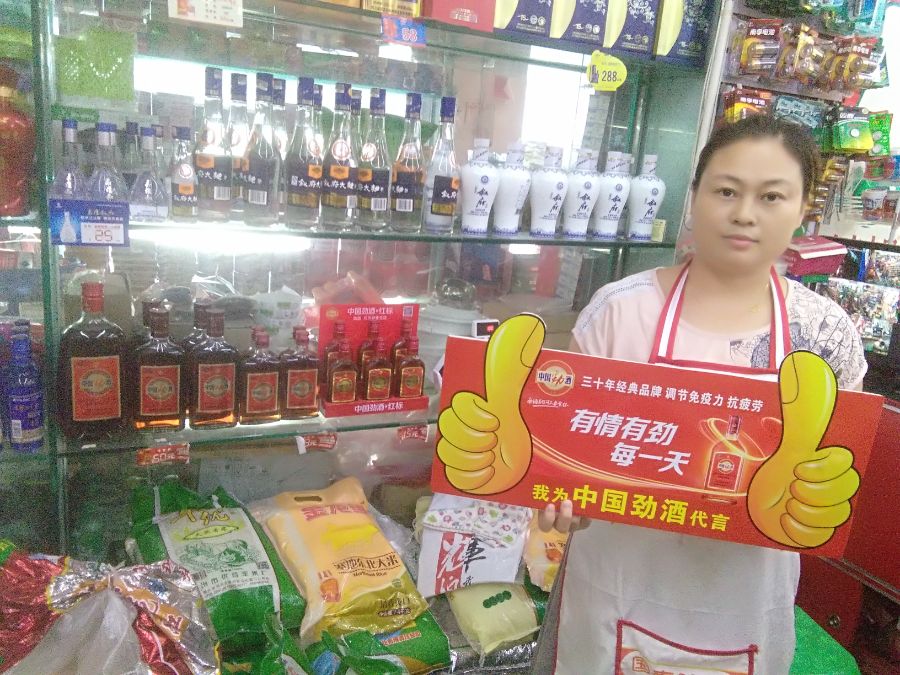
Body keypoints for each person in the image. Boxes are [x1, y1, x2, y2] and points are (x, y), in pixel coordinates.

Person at [532, 115, 867, 674]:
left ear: (805, 208)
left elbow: (831, 480)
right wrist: (560, 499)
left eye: (772, 196)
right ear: (694, 196)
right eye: (726, 191)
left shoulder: (826, 335)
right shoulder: (620, 311)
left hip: (744, 599)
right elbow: (566, 457)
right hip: (616, 585)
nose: (744, 213)